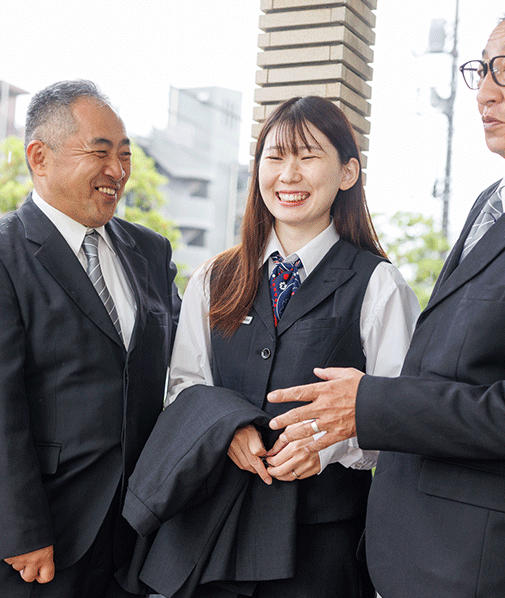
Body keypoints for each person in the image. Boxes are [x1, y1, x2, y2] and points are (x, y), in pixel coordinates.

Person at [265, 0, 505, 598]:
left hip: (482, 570)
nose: (485, 92)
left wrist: (371, 406)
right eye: (481, 69)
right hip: (424, 560)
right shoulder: (496, 203)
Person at [131, 96, 418, 597]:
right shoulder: (215, 278)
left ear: (348, 173)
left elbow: (400, 416)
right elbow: (184, 386)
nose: (289, 174)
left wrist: (327, 448)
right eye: (275, 156)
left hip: (322, 545)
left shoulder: (379, 285)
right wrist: (229, 428)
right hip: (216, 530)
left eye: (308, 156)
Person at [0, 79, 181, 598]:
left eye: (125, 155)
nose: (117, 171)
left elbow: (179, 370)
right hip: (30, 540)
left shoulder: (151, 251)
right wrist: (20, 530)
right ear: (40, 157)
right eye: (100, 152)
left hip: (127, 539)